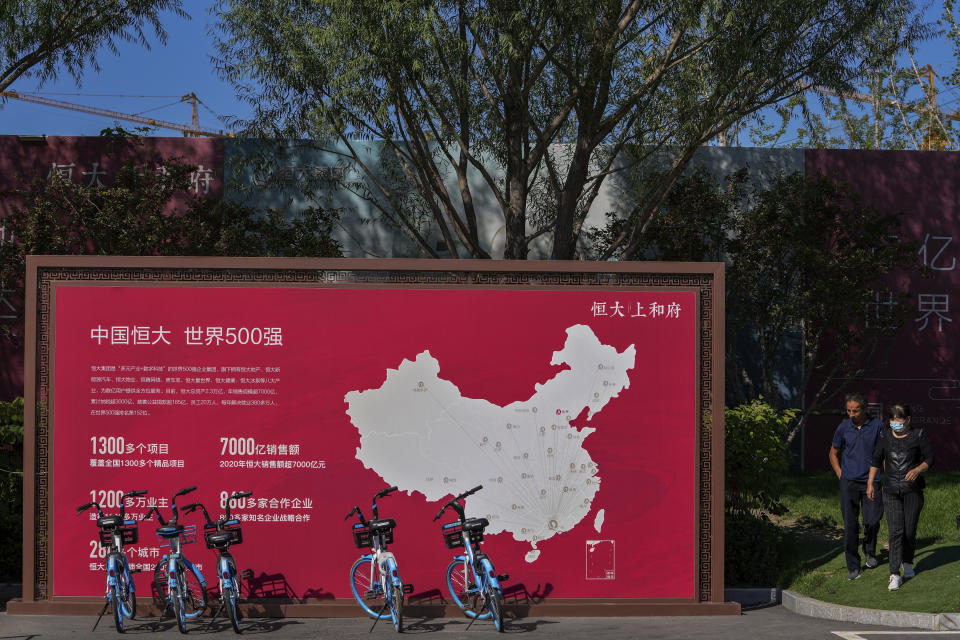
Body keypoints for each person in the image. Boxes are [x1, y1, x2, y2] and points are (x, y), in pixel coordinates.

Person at [867, 403, 933, 591]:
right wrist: (871, 482)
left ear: (908, 419)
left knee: (909, 531)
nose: (896, 423)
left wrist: (918, 469)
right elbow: (876, 460)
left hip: (912, 491)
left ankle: (908, 562)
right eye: (893, 420)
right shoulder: (884, 436)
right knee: (895, 531)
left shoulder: (918, 435)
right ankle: (894, 574)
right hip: (890, 491)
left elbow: (930, 458)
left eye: (899, 420)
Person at [829, 392, 884, 580]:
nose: (851, 414)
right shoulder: (843, 427)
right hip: (849, 483)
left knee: (872, 520)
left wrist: (883, 480)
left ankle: (870, 551)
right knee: (850, 525)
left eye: (855, 411)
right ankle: (853, 565)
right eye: (848, 410)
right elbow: (833, 452)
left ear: (865, 408)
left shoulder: (877, 426)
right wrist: (840, 474)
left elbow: (883, 456)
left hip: (872, 482)